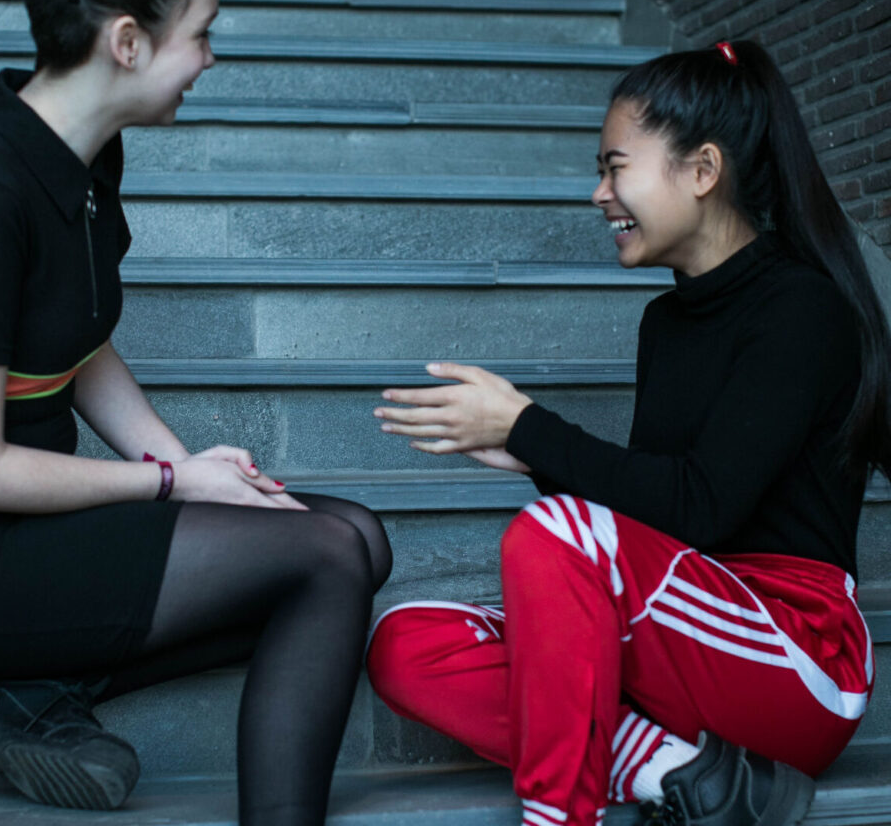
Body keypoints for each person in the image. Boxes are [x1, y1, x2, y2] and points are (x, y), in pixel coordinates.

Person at [0, 0, 391, 825]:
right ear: (126, 41)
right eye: (202, 34)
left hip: (27, 527)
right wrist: (166, 484)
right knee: (320, 556)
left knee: (356, 535)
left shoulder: (87, 162)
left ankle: (32, 696)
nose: (210, 59)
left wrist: (191, 466)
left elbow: (81, 343)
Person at [367, 40, 888, 826]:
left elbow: (702, 508)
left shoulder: (801, 311)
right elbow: (657, 517)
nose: (598, 194)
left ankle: (561, 815)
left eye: (616, 167)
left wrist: (533, 431)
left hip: (795, 648)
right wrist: (526, 451)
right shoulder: (666, 322)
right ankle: (681, 770)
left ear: (703, 171)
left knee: (551, 536)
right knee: (405, 644)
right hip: (684, 631)